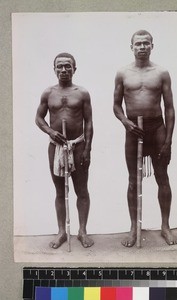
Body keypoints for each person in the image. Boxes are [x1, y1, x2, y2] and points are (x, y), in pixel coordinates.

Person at [113, 30, 177, 247]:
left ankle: (165, 226)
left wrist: (168, 140)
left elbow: (169, 108)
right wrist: (126, 122)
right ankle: (134, 228)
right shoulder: (122, 73)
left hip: (157, 128)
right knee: (133, 181)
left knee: (163, 177)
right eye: (138, 44)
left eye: (146, 43)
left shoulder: (161, 73)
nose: (142, 47)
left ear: (152, 45)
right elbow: (116, 105)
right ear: (131, 46)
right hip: (134, 130)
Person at [35, 52, 94, 249]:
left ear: (74, 69)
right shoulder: (48, 93)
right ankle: (61, 231)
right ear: (54, 69)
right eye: (59, 66)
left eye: (67, 66)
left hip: (77, 146)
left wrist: (87, 149)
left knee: (81, 190)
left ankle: (82, 231)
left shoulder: (82, 93)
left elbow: (89, 123)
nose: (63, 70)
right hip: (57, 148)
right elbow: (39, 119)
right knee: (60, 191)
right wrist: (51, 132)